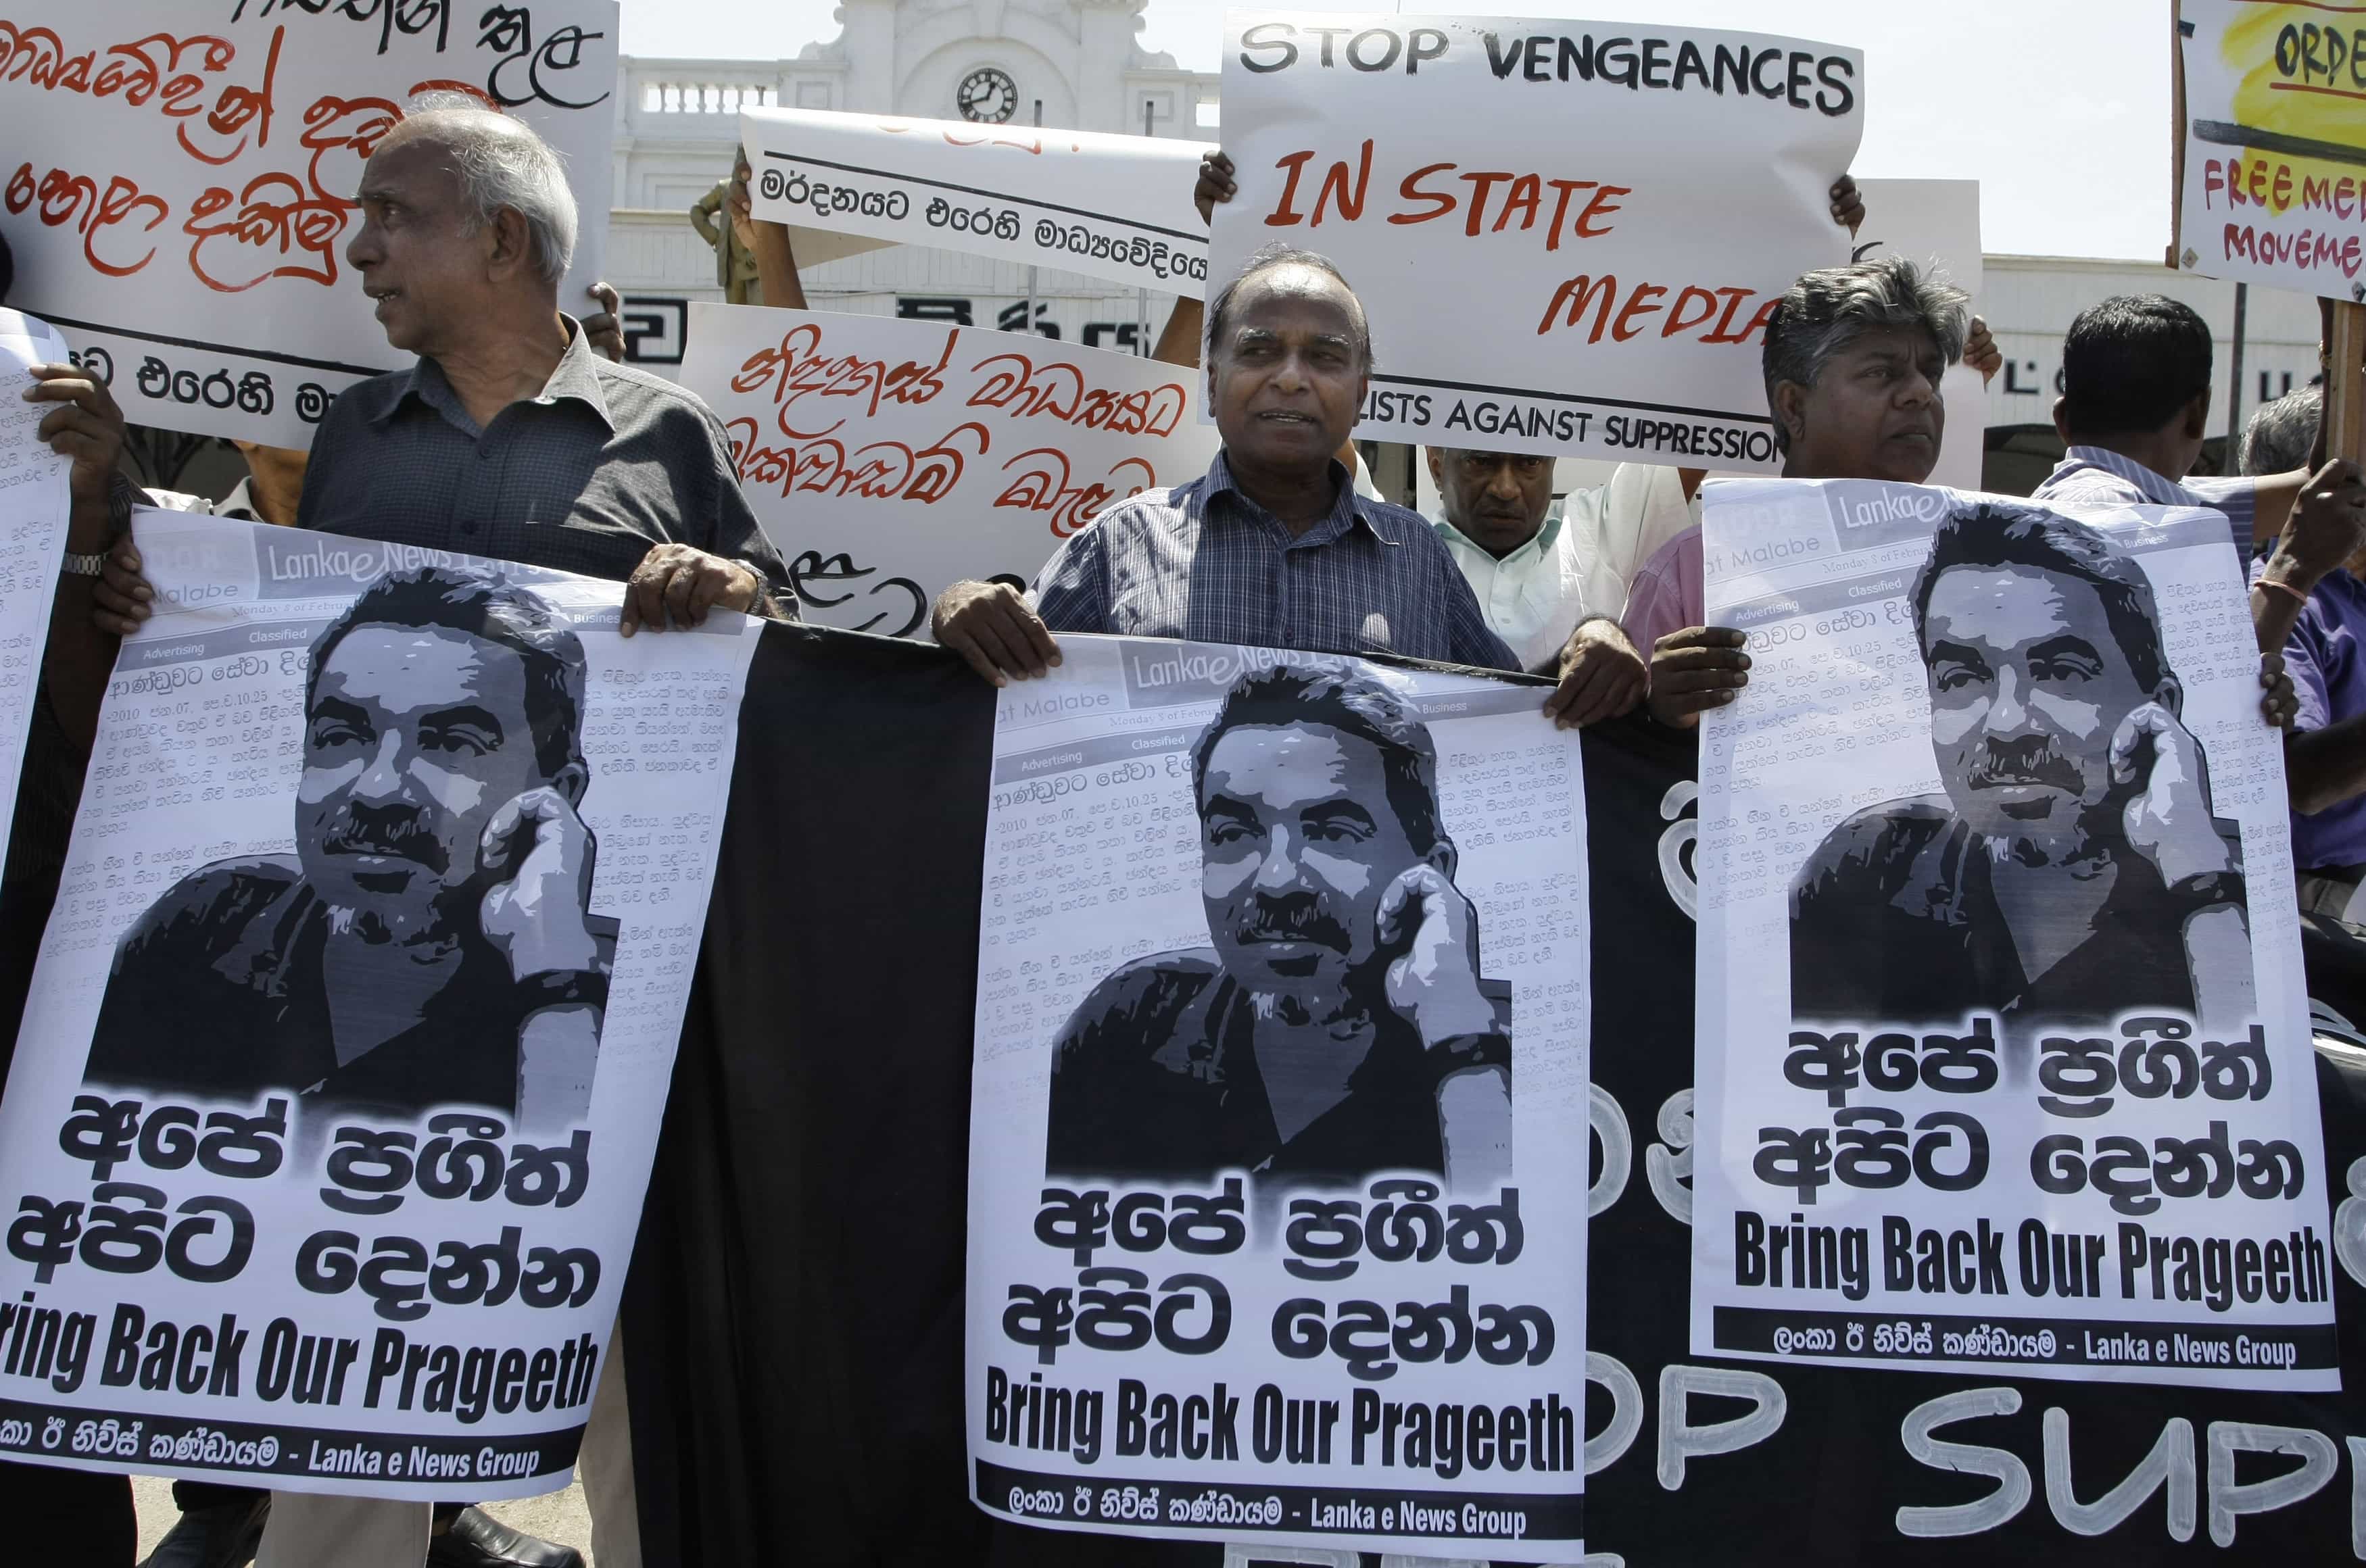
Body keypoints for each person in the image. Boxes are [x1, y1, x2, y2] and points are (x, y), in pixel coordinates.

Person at [931, 241, 1650, 730]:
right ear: (1210, 383)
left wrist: (1597, 639)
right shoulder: (1120, 542)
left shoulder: (1416, 560)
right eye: (1259, 349)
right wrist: (959, 613)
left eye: (1325, 356)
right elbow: (998, 692)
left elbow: (1513, 726)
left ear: (1360, 393)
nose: (1290, 376)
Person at [88, 567, 612, 1123]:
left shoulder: (605, 988)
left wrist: (556, 980)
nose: (378, 789)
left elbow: (557, 1178)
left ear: (559, 794)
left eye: (451, 744)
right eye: (341, 737)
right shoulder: (208, 924)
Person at [1790, 502, 2253, 1043]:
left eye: (2060, 672)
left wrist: (2200, 880)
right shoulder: (1874, 866)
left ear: (2162, 709)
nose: (2007, 724)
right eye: (1962, 677)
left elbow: (2254, 1078)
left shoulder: (2232, 884)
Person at [1046, 662, 1509, 1187]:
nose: (1277, 881)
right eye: (1233, 833)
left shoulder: (1505, 1056)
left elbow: (1497, 1236)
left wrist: (1460, 1041)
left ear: (1435, 872)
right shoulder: (1131, 1023)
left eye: (1334, 832)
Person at [1619, 257, 2004, 707]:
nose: (1920, 392)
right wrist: (1655, 716)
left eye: (1931, 374)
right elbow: (1614, 761)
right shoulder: (1687, 576)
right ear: (1793, 407)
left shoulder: (1988, 574)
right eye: (1881, 372)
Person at [2031, 294, 2363, 660]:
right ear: (2198, 413)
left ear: (2061, 419)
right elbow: (2202, 694)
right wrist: (2291, 570)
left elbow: (2321, 483)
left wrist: (2340, 338)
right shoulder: (2104, 509)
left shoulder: (2162, 502)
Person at [690, 174, 765, 305]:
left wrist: (758, 250)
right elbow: (697, 211)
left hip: (758, 268)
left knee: (760, 318)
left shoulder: (766, 185)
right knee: (735, 319)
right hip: (732, 268)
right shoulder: (726, 187)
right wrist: (716, 238)